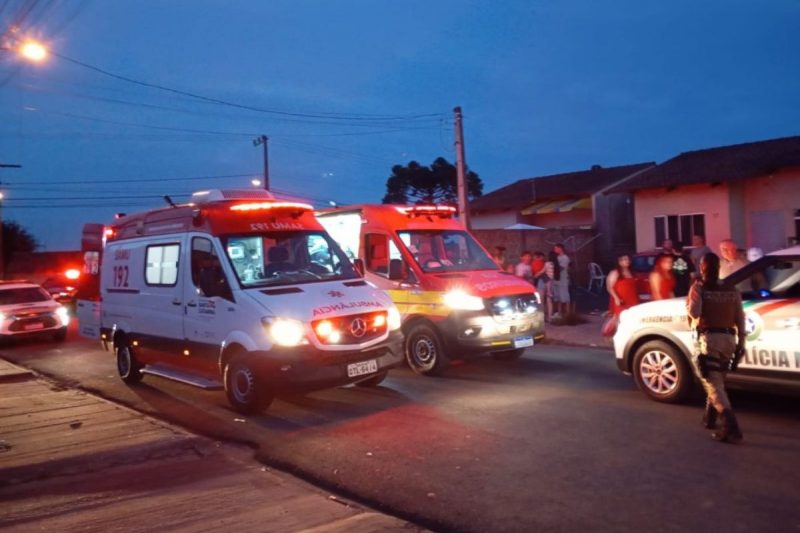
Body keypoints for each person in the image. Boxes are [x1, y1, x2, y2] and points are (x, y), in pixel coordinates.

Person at [687, 252, 746, 443]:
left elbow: (694, 312)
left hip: (710, 339)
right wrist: (740, 345)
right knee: (717, 380)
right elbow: (740, 319)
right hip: (730, 339)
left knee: (713, 385)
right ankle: (710, 418)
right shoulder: (732, 289)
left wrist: (690, 300)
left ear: (702, 268)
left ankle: (731, 426)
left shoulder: (700, 288)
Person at [552, 244, 571, 319]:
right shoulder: (556, 257)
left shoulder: (565, 258)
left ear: (560, 249)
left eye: (556, 248)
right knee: (558, 297)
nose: (555, 250)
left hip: (562, 279)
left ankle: (568, 314)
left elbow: (561, 268)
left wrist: (555, 265)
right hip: (556, 280)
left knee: (565, 297)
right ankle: (559, 313)